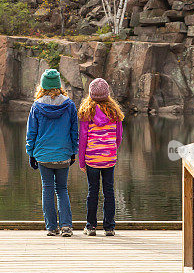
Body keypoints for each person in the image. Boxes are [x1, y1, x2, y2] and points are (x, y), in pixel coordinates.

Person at [26, 69, 79, 236]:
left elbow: (31, 133)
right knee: (62, 189)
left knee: (47, 188)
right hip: (63, 154)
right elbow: (74, 131)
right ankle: (66, 226)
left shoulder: (37, 106)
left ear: (43, 86)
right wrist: (73, 151)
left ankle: (51, 227)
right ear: (58, 85)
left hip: (43, 155)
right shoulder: (69, 105)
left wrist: (31, 153)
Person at [78, 78, 124, 236]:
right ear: (107, 94)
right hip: (109, 158)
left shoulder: (87, 112)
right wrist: (112, 150)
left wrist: (81, 161)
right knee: (109, 191)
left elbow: (83, 138)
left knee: (93, 191)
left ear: (91, 94)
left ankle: (90, 227)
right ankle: (109, 227)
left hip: (92, 158)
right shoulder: (114, 112)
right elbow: (119, 136)